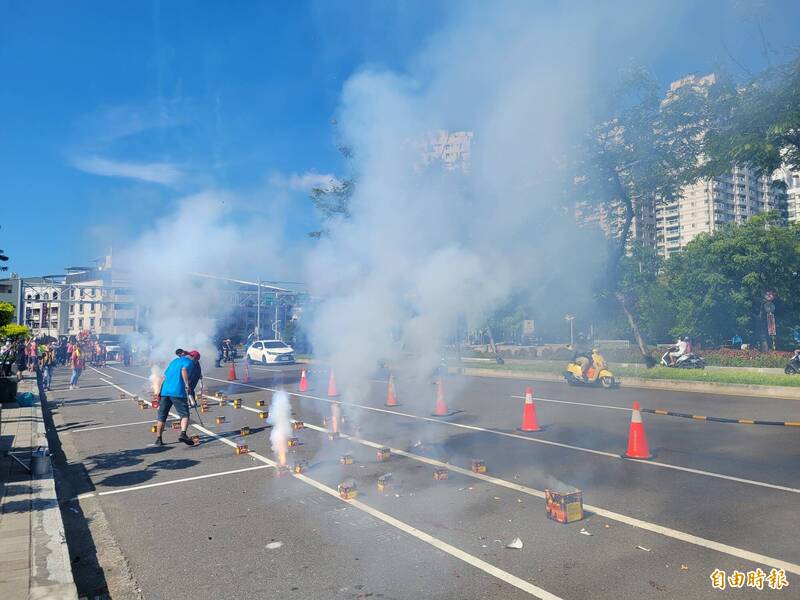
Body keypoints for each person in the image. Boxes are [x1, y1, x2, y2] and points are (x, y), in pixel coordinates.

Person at [153, 352, 195, 446]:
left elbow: (164, 377)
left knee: (162, 417)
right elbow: (184, 370)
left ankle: (158, 439)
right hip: (178, 392)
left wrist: (159, 390)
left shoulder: (174, 361)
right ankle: (183, 434)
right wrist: (187, 384)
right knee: (185, 415)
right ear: (193, 358)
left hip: (165, 391)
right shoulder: (189, 362)